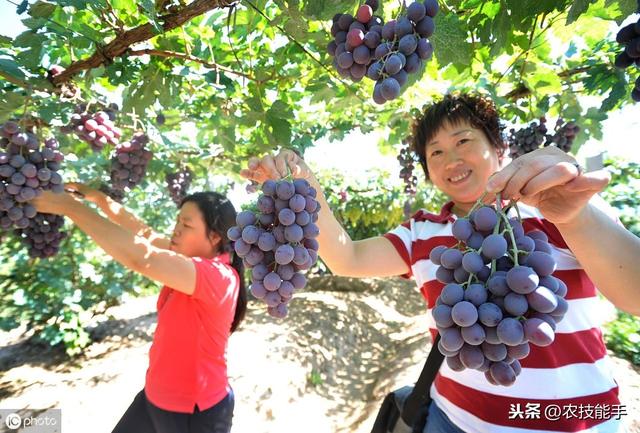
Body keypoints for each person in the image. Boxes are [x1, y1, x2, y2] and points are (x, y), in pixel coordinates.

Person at [240, 93, 640, 433]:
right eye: (436, 152)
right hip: (454, 419)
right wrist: (306, 186)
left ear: (499, 149)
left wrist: (575, 217)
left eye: (464, 141)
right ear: (428, 171)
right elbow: (348, 256)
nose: (451, 158)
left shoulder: (560, 206)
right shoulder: (422, 232)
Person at [31, 185, 246, 433]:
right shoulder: (187, 259)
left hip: (194, 411)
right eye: (177, 221)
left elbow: (141, 258)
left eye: (186, 225)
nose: (175, 229)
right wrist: (99, 198)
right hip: (155, 395)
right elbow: (143, 233)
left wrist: (68, 207)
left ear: (216, 237)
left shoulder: (219, 277)